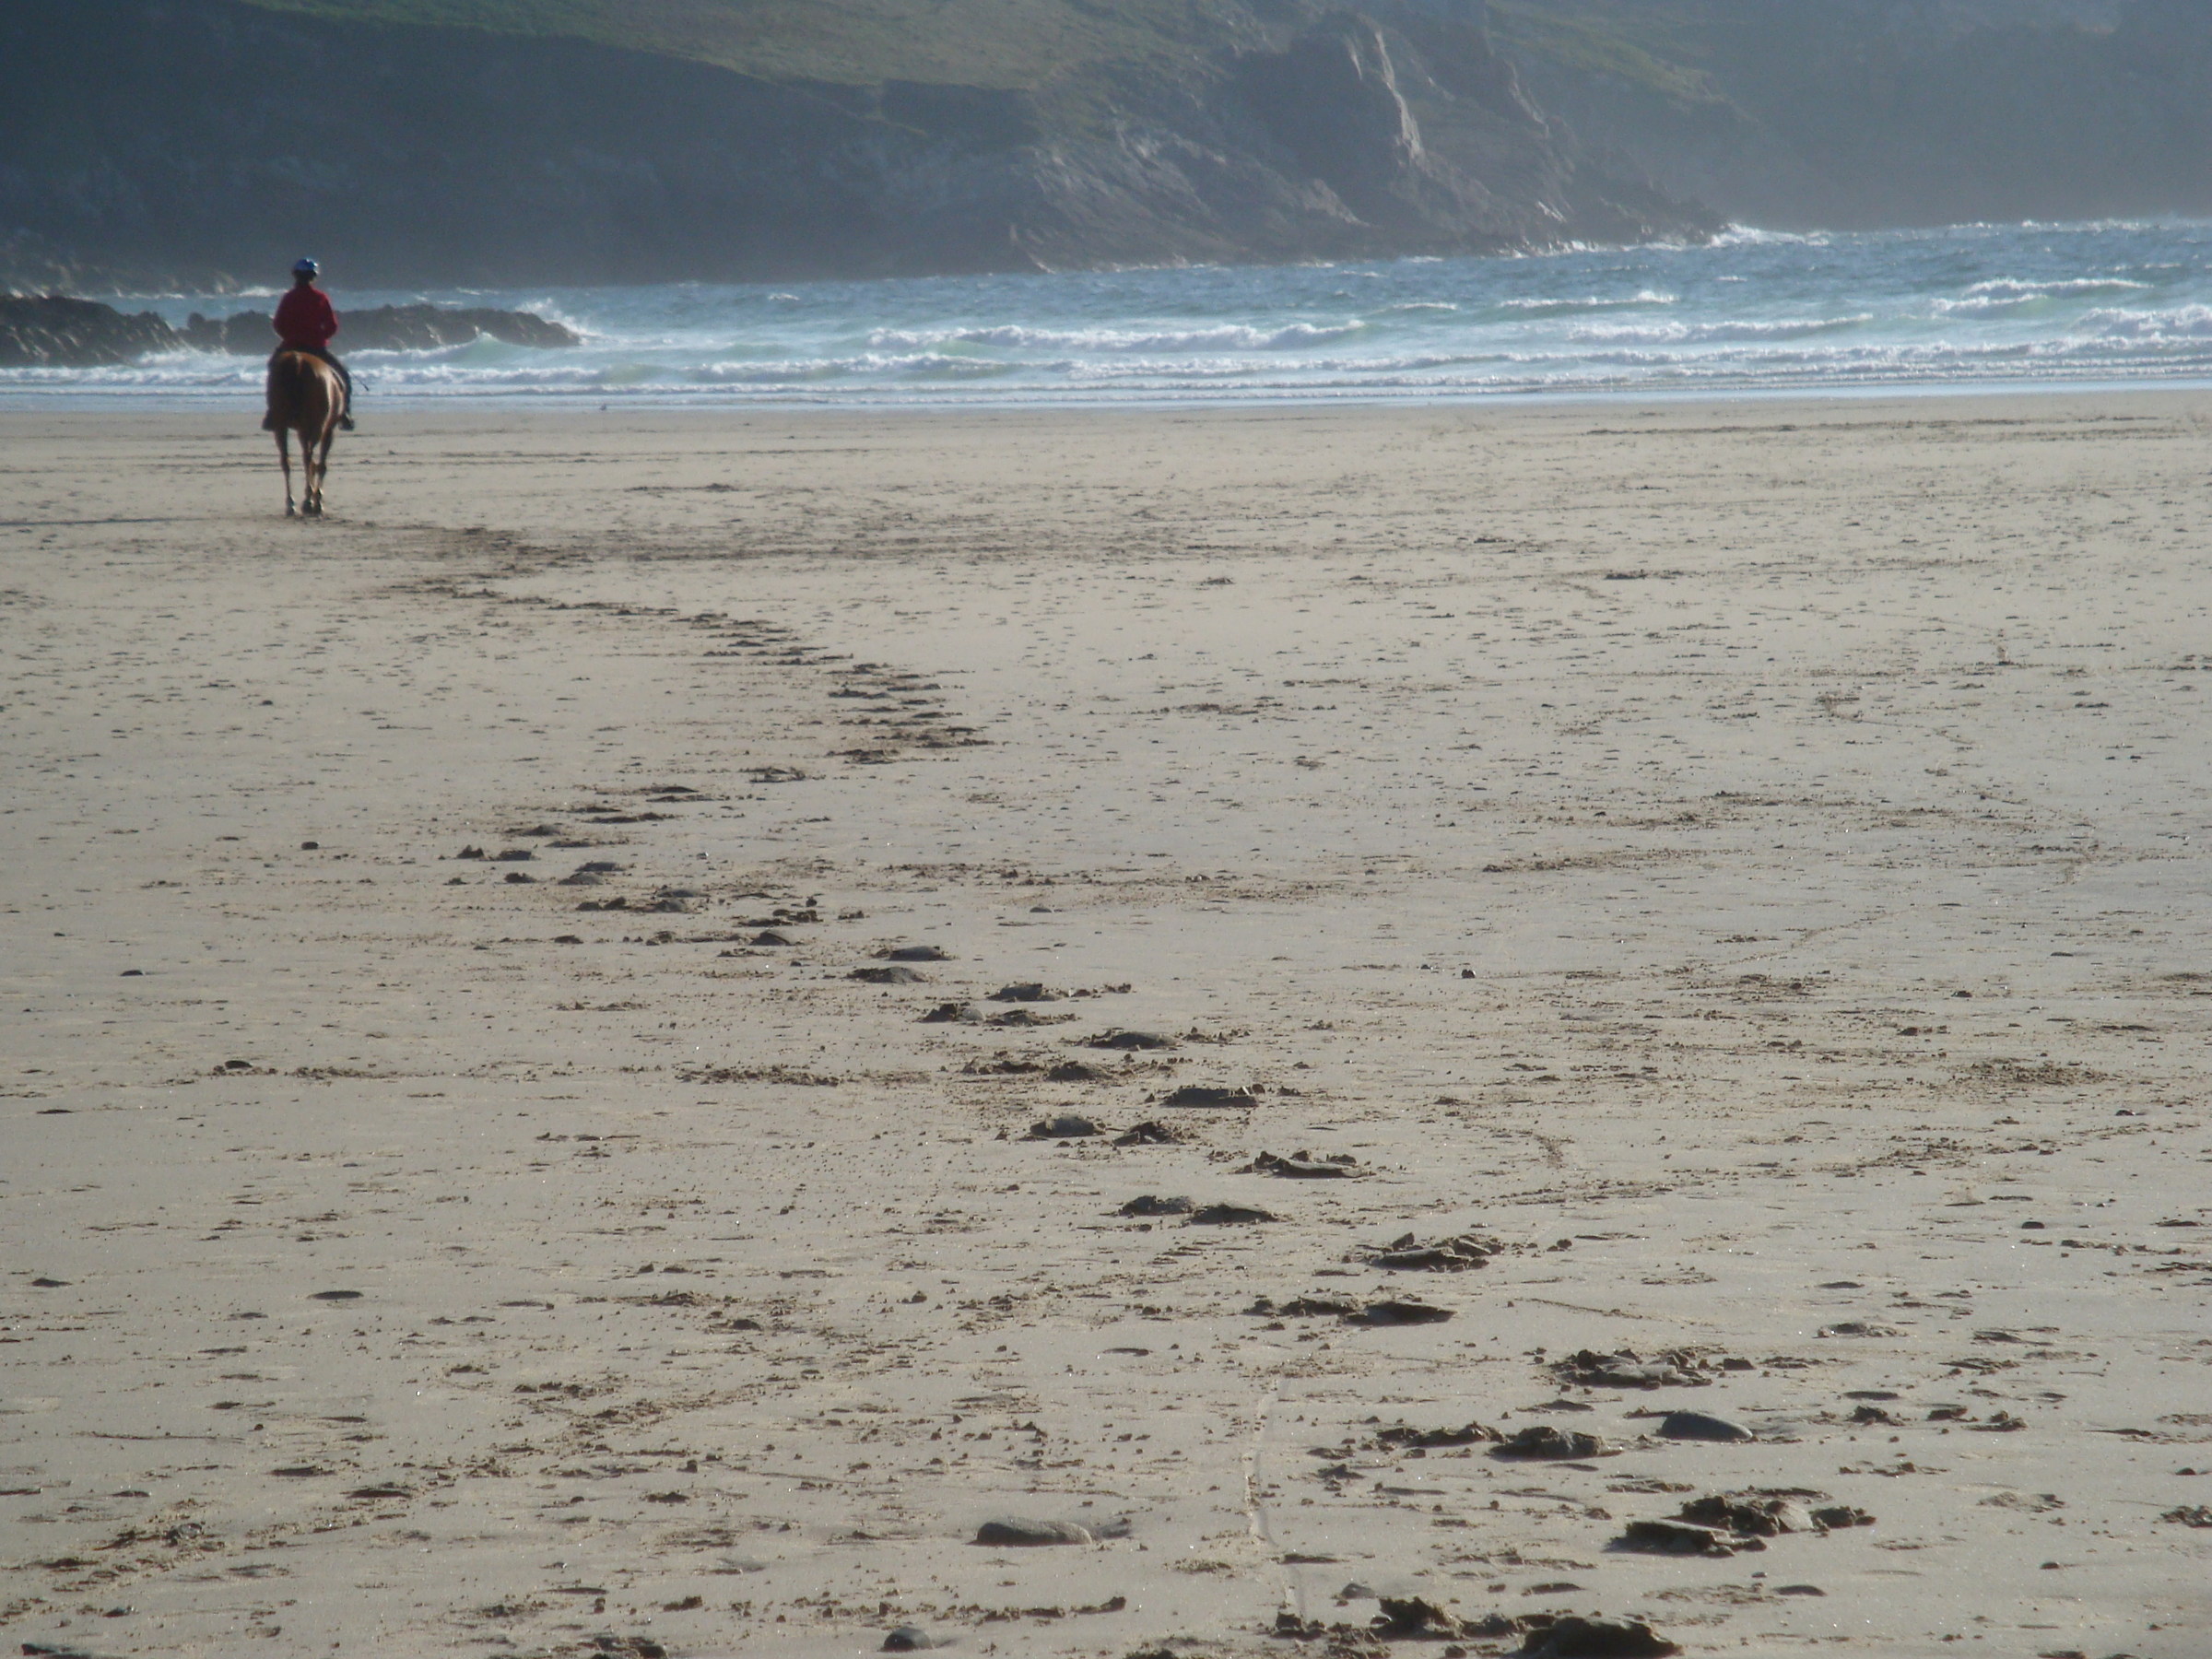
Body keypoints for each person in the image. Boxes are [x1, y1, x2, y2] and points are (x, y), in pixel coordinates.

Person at [266, 258, 354, 430]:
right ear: (313, 277)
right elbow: (332, 326)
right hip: (316, 348)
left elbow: (278, 324)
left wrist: (291, 337)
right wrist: (320, 337)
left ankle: (272, 413)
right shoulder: (321, 298)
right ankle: (344, 415)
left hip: (291, 346)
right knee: (344, 377)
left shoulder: (289, 297)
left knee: (273, 371)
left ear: (295, 276)